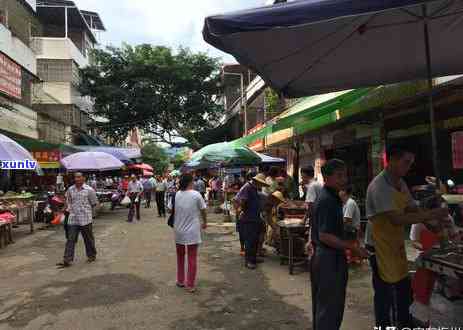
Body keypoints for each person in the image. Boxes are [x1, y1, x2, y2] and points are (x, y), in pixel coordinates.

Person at [365, 144, 448, 329]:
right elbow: (396, 219)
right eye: (406, 162)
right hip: (378, 247)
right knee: (384, 294)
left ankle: (403, 323)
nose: (409, 166)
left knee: (403, 288)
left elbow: (412, 208)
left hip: (394, 243)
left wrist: (433, 225)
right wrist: (431, 215)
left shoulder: (400, 183)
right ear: (392, 160)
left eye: (411, 163)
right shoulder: (379, 186)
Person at [310, 159, 369, 330]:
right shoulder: (327, 199)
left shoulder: (332, 197)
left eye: (345, 175)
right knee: (330, 307)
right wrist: (353, 247)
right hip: (328, 259)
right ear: (327, 177)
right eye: (339, 176)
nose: (344, 180)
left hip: (328, 257)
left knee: (327, 306)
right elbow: (325, 235)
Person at [169, 174, 207, 293]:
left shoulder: (176, 194)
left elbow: (170, 209)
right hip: (192, 231)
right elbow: (203, 210)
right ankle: (190, 284)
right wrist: (205, 222)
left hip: (178, 230)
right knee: (192, 258)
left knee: (180, 257)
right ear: (191, 182)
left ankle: (180, 280)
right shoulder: (196, 195)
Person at [57, 172, 98, 268]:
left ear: (84, 178)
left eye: (79, 177)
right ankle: (67, 259)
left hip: (85, 219)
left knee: (88, 239)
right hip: (73, 218)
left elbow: (94, 203)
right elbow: (68, 202)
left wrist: (90, 214)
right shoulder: (70, 189)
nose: (77, 179)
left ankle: (91, 255)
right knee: (70, 239)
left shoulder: (89, 190)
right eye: (75, 177)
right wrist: (64, 209)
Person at [234, 172, 269, 269]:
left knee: (255, 240)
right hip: (248, 218)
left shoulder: (253, 188)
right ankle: (249, 261)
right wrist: (242, 210)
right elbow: (240, 200)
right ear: (257, 181)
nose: (261, 186)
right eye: (261, 184)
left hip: (255, 217)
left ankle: (253, 258)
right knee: (250, 240)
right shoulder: (247, 187)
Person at [339, 187, 362, 264]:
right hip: (348, 228)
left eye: (340, 190)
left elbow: (347, 219)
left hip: (352, 229)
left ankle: (354, 257)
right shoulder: (345, 203)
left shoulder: (350, 203)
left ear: (344, 192)